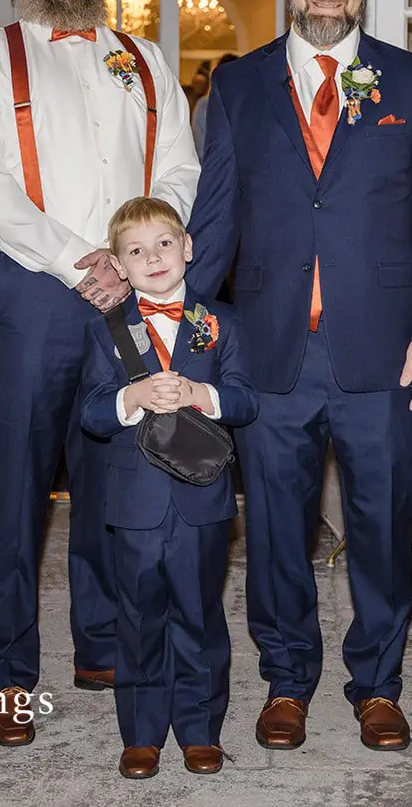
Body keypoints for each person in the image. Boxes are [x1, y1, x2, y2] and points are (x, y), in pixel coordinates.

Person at [186, 0, 412, 752]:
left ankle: (377, 684)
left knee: (382, 525)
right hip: (271, 349)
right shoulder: (239, 85)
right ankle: (287, 679)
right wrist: (181, 331)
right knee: (276, 529)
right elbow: (216, 217)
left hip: (385, 351)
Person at [0, 0, 199, 745]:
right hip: (34, 294)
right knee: (18, 490)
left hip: (130, 296)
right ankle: (7, 674)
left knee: (115, 480)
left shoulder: (145, 58)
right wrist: (76, 257)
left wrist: (136, 254)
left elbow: (180, 167)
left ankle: (102, 642)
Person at [76, 197, 258, 780]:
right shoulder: (107, 329)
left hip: (201, 496)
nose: (152, 258)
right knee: (138, 617)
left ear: (188, 247)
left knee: (199, 614)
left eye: (163, 243)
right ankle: (141, 733)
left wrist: (201, 396)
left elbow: (246, 400)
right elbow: (90, 413)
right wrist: (132, 398)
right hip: (135, 501)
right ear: (117, 265)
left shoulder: (219, 321)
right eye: (136, 250)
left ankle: (201, 729)